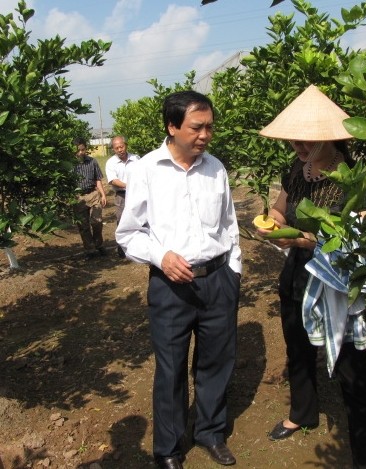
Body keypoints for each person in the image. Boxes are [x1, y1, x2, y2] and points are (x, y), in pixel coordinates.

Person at [257, 84, 366, 469]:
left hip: (337, 282)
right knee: (298, 348)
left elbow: (359, 240)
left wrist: (304, 240)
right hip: (296, 274)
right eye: (294, 138)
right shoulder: (296, 171)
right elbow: (281, 211)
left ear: (332, 138)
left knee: (351, 367)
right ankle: (303, 412)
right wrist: (271, 224)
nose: (298, 144)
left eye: (307, 139)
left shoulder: (356, 179)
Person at [116, 91, 242, 469]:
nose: (205, 135)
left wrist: (233, 270)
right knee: (170, 367)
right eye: (197, 127)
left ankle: (210, 432)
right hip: (170, 286)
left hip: (218, 279)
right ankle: (168, 449)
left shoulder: (216, 168)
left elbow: (229, 225)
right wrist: (161, 256)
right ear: (172, 127)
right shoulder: (147, 170)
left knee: (217, 362)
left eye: (209, 127)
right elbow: (128, 233)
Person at [105, 136, 139, 258]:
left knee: (138, 219)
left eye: (122, 146)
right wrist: (129, 186)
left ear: (126, 145)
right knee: (122, 221)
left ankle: (136, 247)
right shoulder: (111, 163)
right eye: (117, 148)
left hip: (136, 194)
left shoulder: (136, 159)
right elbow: (113, 180)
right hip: (122, 195)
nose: (120, 149)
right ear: (113, 149)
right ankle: (122, 249)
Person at [73, 137, 107, 258]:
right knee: (83, 225)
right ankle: (90, 249)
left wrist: (103, 194)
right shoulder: (70, 164)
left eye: (83, 149)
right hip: (78, 197)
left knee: (97, 221)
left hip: (93, 194)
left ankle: (99, 244)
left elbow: (98, 179)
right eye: (78, 150)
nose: (81, 152)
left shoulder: (92, 162)